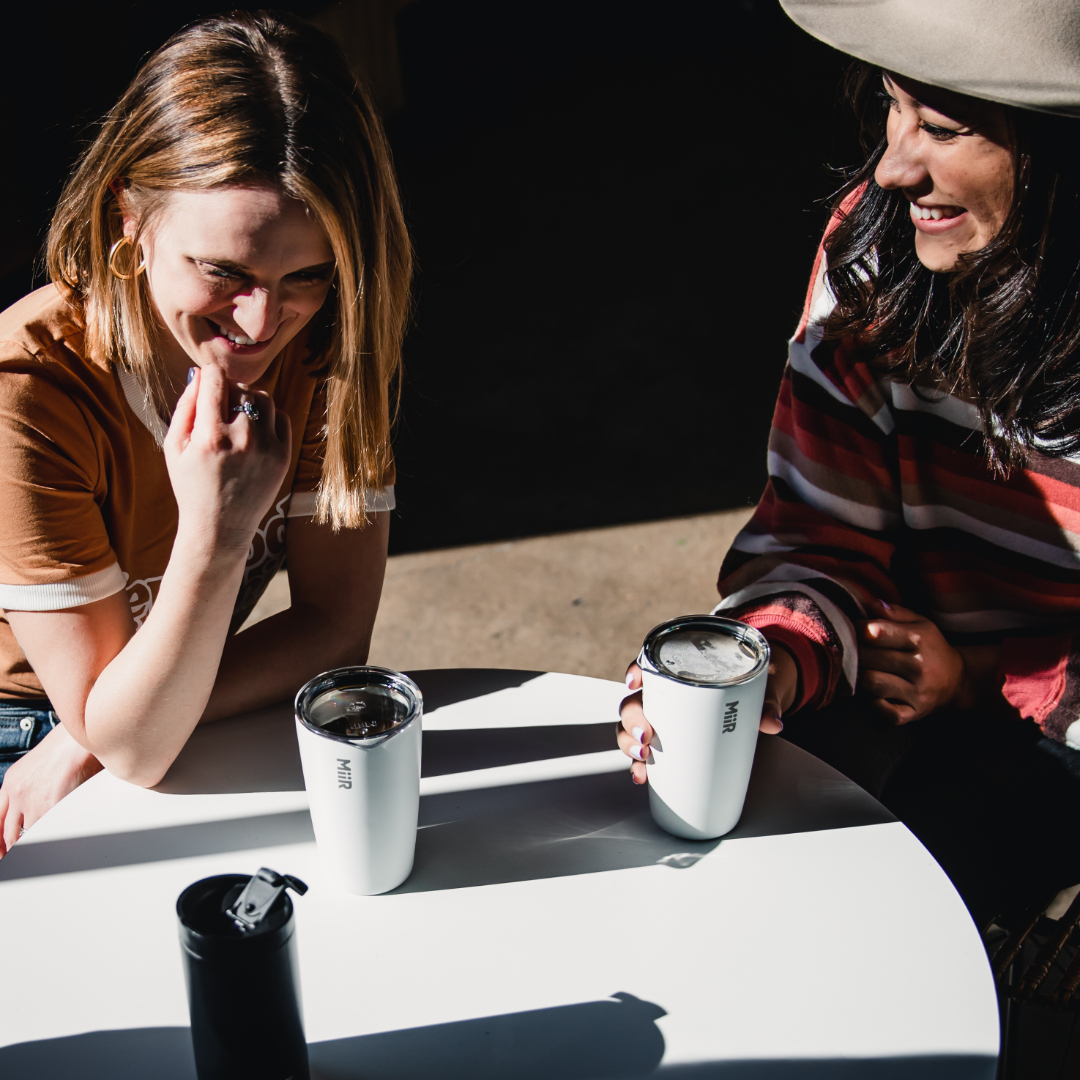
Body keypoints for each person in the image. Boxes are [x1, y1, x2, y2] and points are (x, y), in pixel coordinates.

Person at [619, 0, 1080, 926]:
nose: (894, 166)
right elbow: (818, 532)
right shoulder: (871, 256)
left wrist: (989, 677)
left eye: (945, 128)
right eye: (892, 106)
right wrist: (762, 661)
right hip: (896, 681)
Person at [0, 11, 411, 854]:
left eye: (308, 274)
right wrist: (218, 535)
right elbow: (136, 741)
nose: (263, 322)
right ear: (130, 219)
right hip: (22, 715)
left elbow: (334, 628)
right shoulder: (29, 392)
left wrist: (97, 733)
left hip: (172, 694)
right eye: (224, 270)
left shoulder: (328, 339)